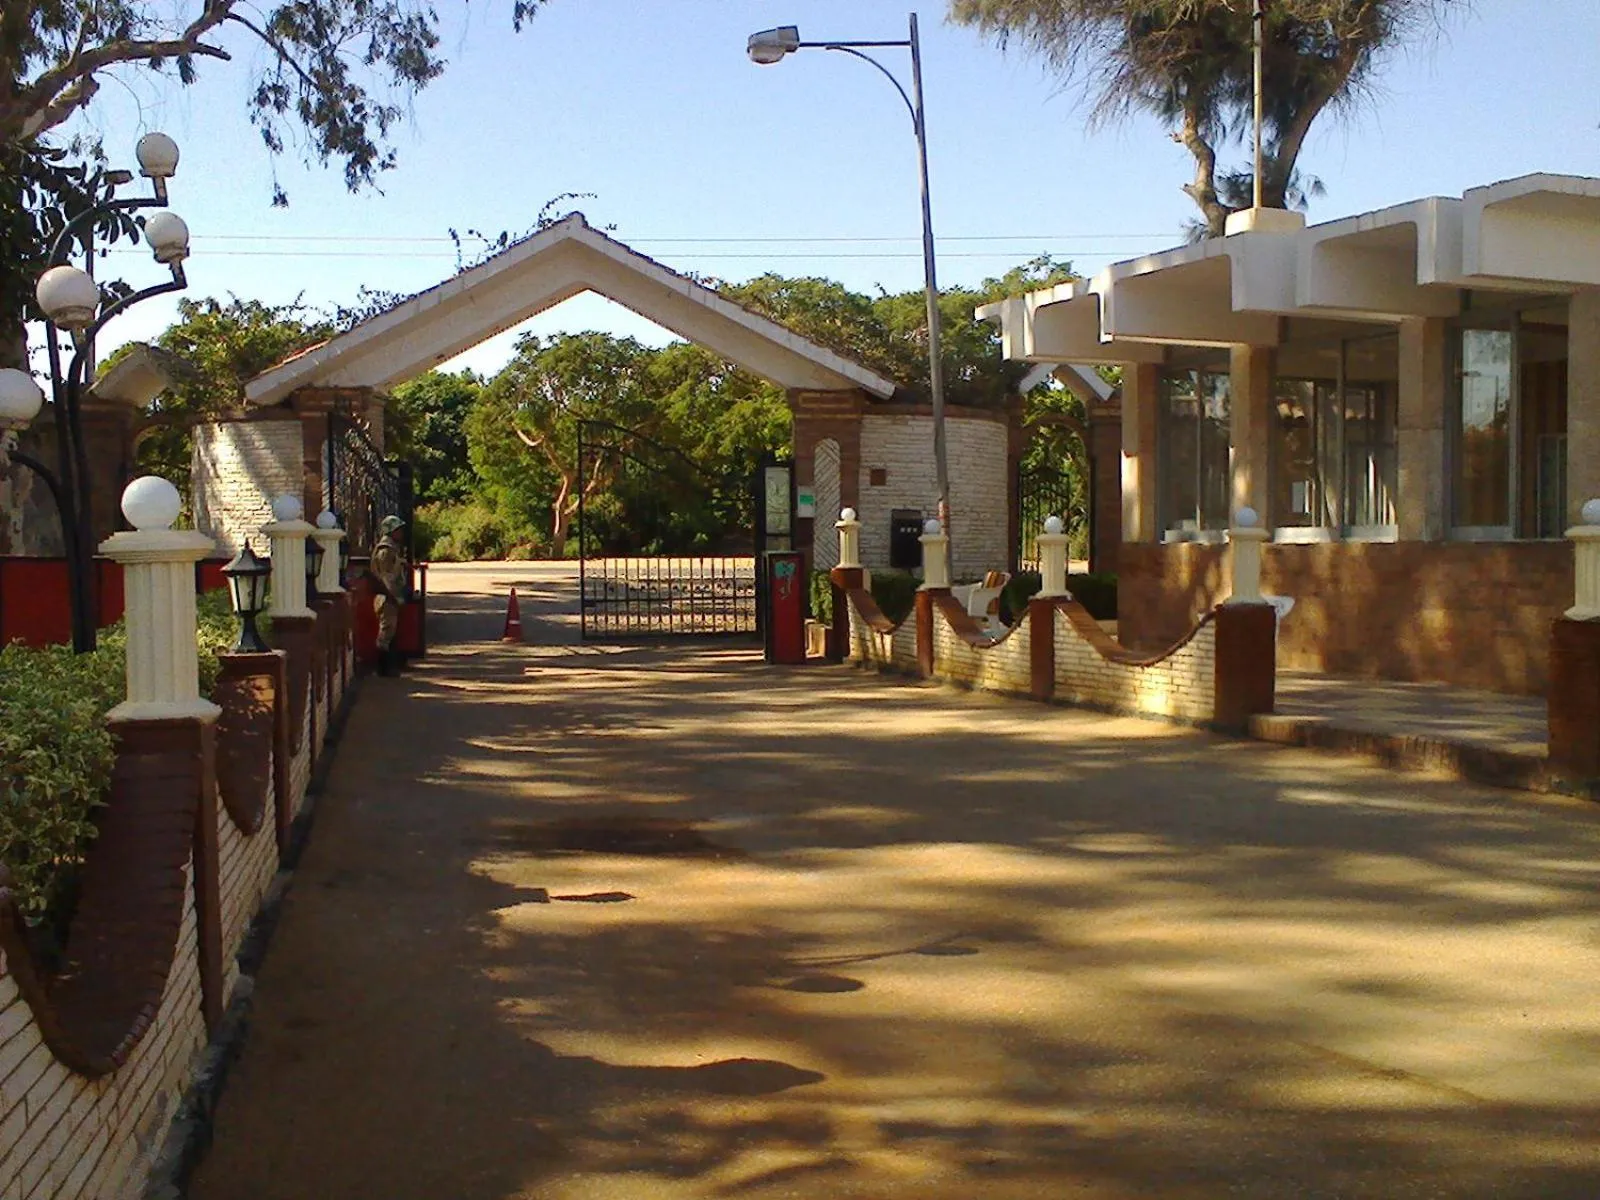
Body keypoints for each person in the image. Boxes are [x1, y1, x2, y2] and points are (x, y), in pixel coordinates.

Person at [370, 515, 409, 675]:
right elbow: (386, 577)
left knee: (391, 631)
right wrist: (394, 596)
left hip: (391, 596)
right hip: (387, 597)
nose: (401, 533)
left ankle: (391, 666)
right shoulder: (385, 550)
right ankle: (383, 668)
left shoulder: (392, 549)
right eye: (398, 530)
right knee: (386, 633)